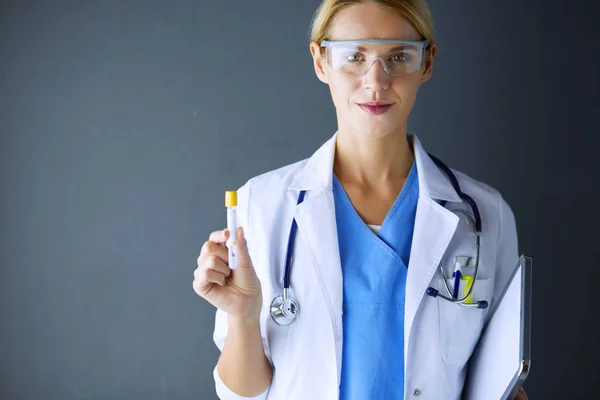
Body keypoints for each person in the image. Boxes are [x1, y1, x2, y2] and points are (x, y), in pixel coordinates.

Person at [193, 1, 527, 399]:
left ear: (428, 62)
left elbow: (496, 378)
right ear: (320, 62)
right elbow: (241, 394)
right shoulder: (261, 205)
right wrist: (244, 317)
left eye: (398, 57)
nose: (376, 81)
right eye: (354, 56)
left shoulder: (486, 217)